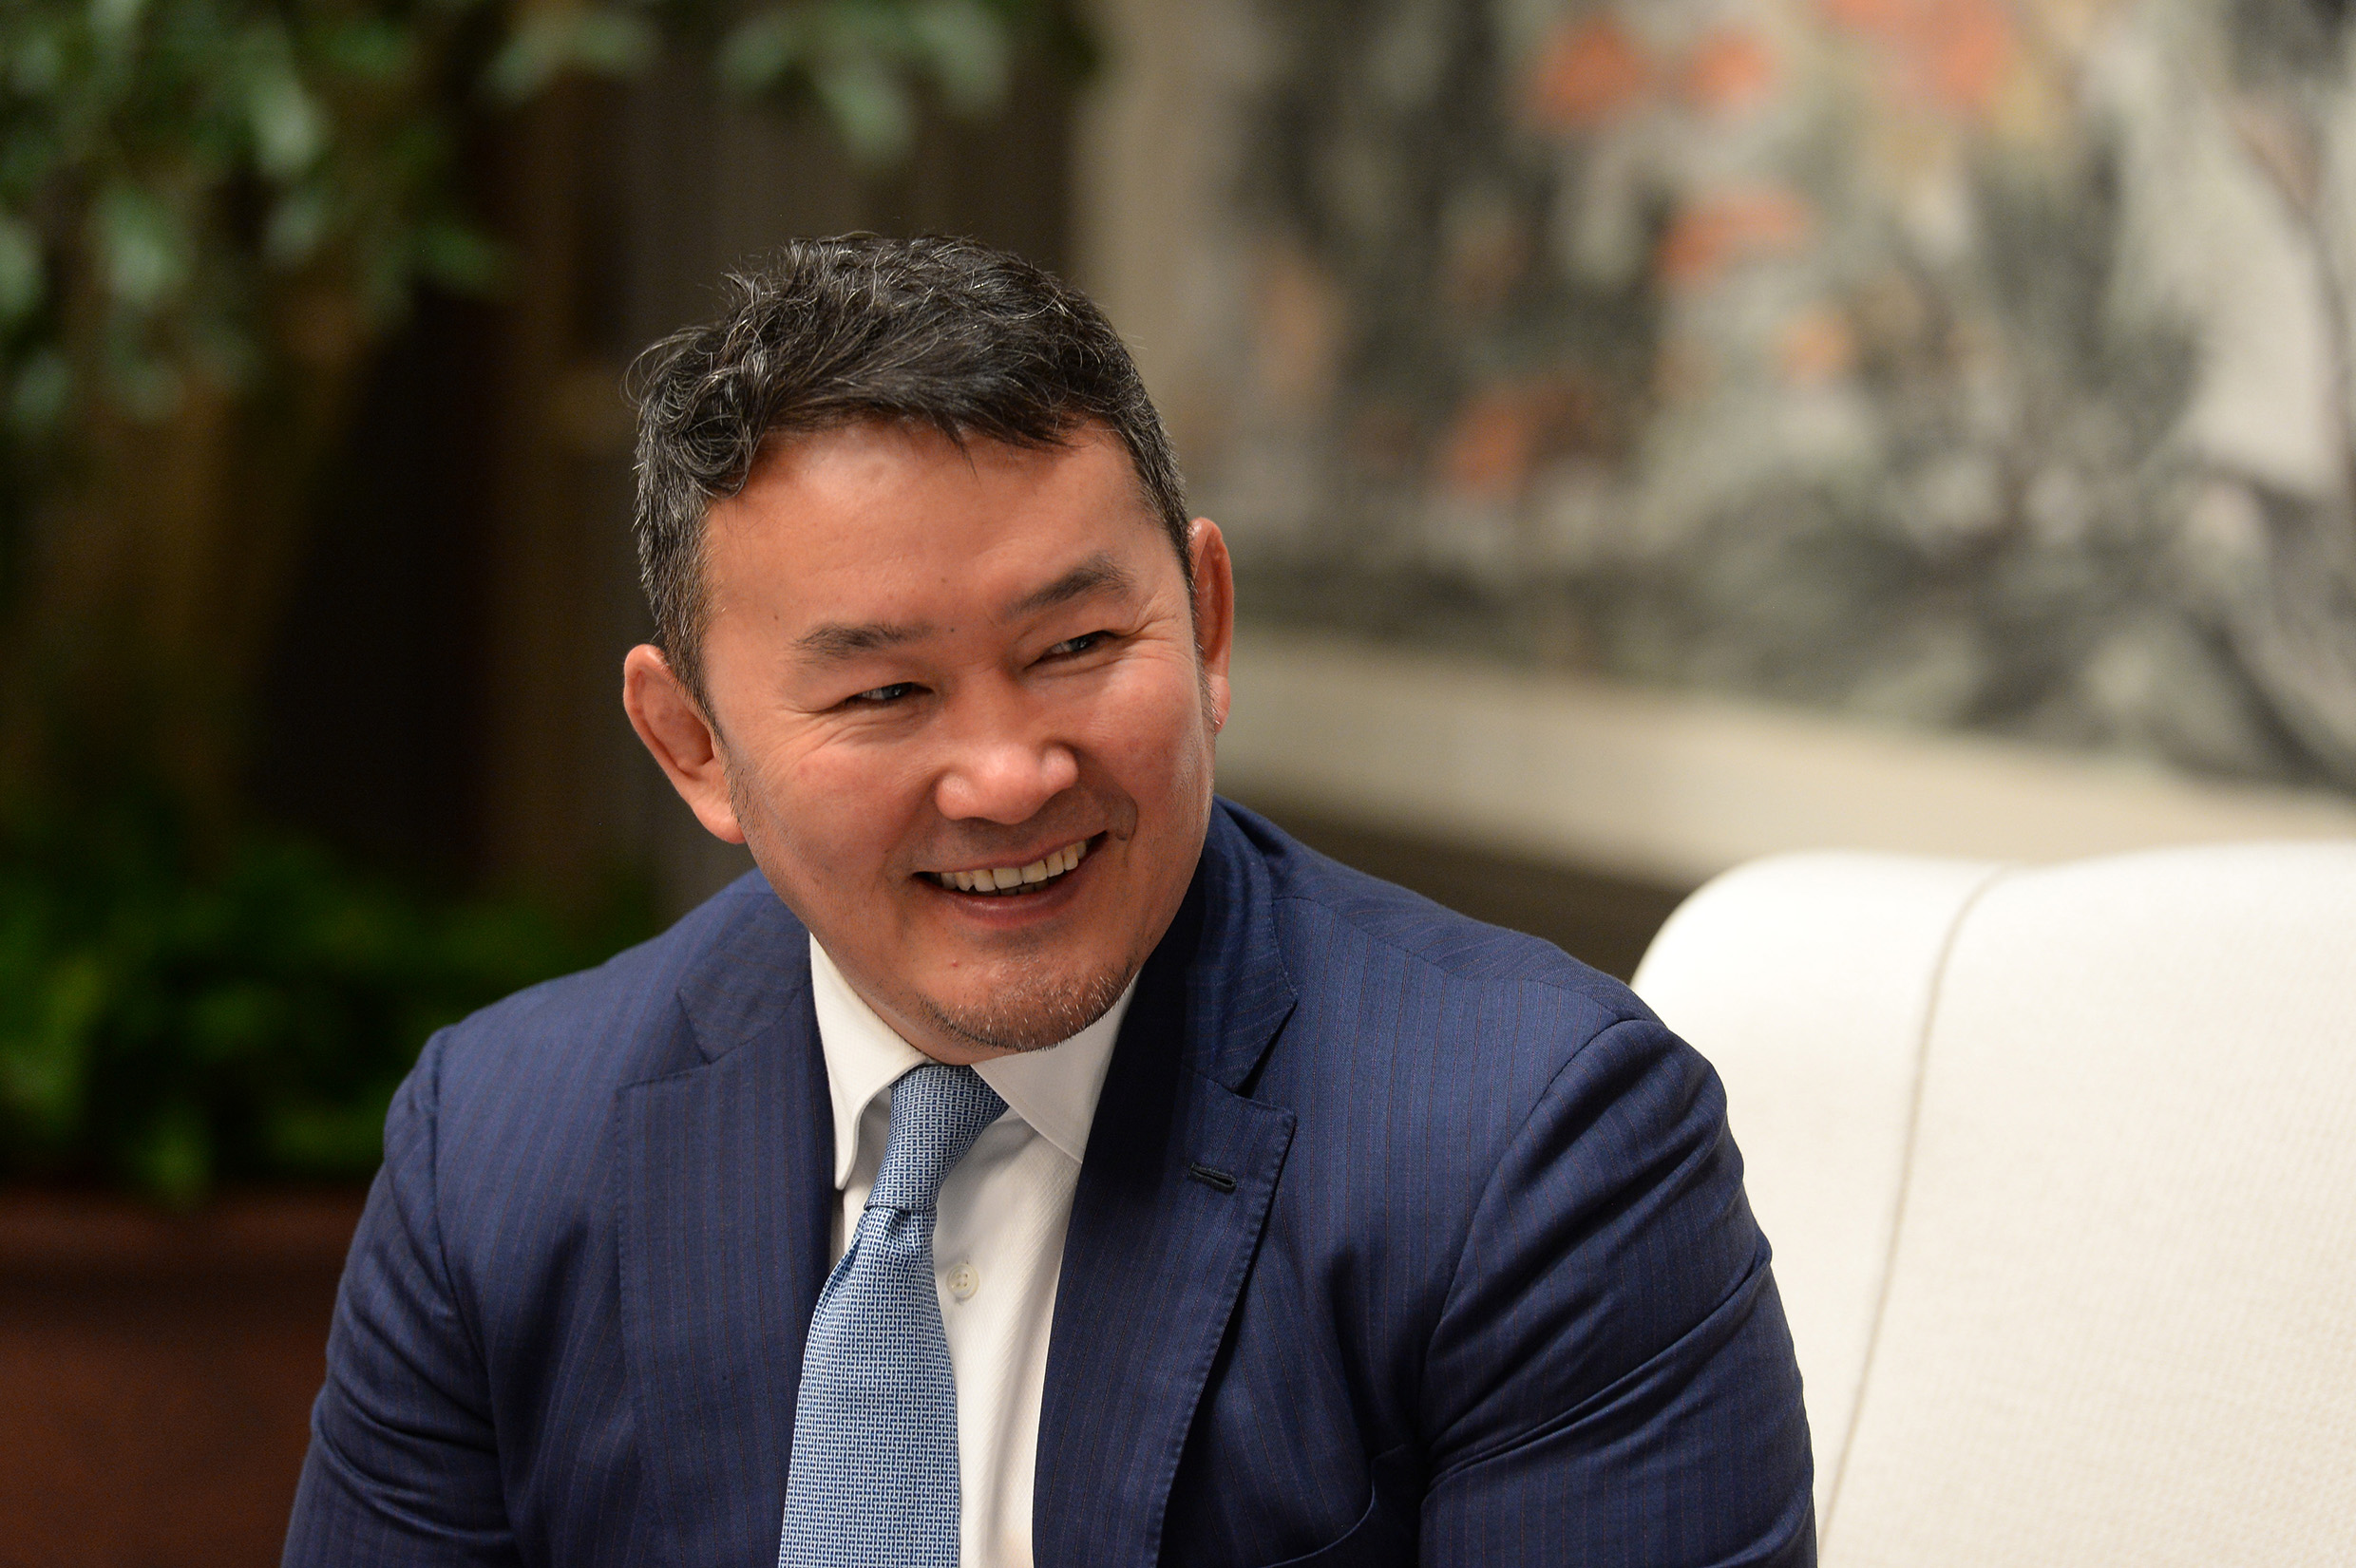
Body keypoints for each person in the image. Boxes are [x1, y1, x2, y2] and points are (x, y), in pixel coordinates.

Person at [282, 236, 1813, 1567]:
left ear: (1204, 625)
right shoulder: (501, 1149)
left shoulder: (1534, 1149)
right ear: (695, 748)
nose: (1011, 778)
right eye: (885, 692)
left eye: (1076, 648)